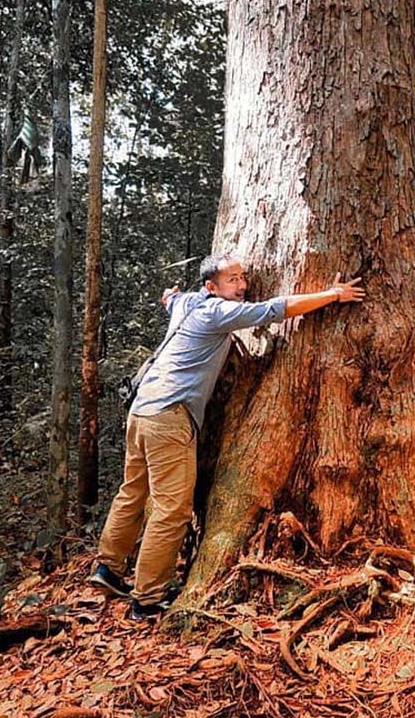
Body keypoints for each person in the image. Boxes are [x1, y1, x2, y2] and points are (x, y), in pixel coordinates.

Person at [89, 254, 365, 619]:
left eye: (242, 277)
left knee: (133, 491)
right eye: (232, 280)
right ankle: (147, 600)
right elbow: (277, 309)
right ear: (211, 288)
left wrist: (168, 296)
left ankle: (108, 569)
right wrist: (333, 294)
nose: (242, 286)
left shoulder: (186, 303)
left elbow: (170, 298)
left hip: (142, 412)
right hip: (169, 417)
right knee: (172, 510)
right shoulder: (217, 312)